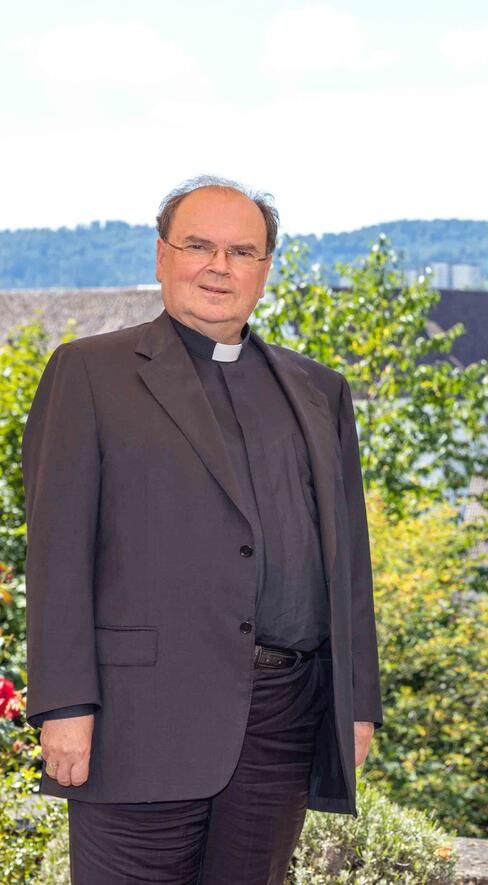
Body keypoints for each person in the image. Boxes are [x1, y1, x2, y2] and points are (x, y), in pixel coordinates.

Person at [23, 176, 381, 883]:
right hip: (138, 718)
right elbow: (57, 554)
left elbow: (349, 565)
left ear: (265, 270)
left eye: (242, 251)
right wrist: (63, 704)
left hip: (281, 720)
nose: (220, 266)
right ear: (162, 257)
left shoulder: (319, 390)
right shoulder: (89, 373)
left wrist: (357, 703)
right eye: (199, 246)